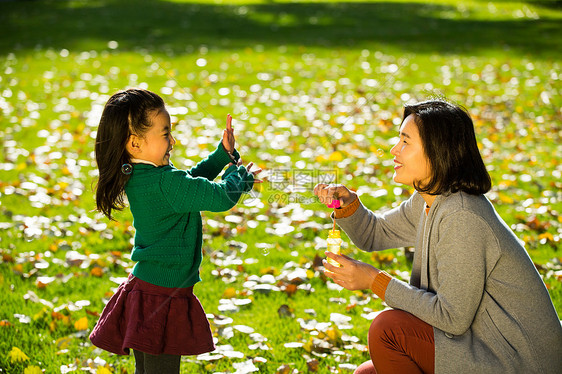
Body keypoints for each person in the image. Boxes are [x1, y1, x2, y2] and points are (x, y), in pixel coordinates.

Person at [314, 99, 562, 374]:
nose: (394, 150)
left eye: (405, 142)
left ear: (437, 151)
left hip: (519, 362)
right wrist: (349, 205)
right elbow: (375, 234)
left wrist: (374, 280)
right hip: (482, 346)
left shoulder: (463, 217)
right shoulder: (431, 200)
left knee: (388, 330)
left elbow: (452, 317)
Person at [89, 88, 261, 373]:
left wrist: (221, 157)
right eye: (165, 133)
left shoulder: (141, 175)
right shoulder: (165, 182)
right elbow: (219, 198)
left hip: (148, 288)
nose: (173, 141)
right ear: (135, 143)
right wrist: (237, 177)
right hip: (162, 295)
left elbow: (190, 184)